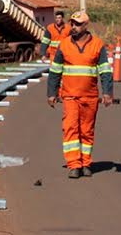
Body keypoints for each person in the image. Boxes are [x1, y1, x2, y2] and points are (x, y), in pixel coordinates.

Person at [46, 11, 114, 179]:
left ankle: (85, 163)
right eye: (72, 23)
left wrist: (107, 92)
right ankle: (74, 165)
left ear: (85, 26)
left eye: (77, 24)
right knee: (70, 129)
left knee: (86, 131)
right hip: (69, 96)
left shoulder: (97, 45)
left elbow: (105, 71)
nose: (73, 27)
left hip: (90, 97)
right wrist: (52, 93)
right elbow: (55, 71)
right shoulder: (64, 45)